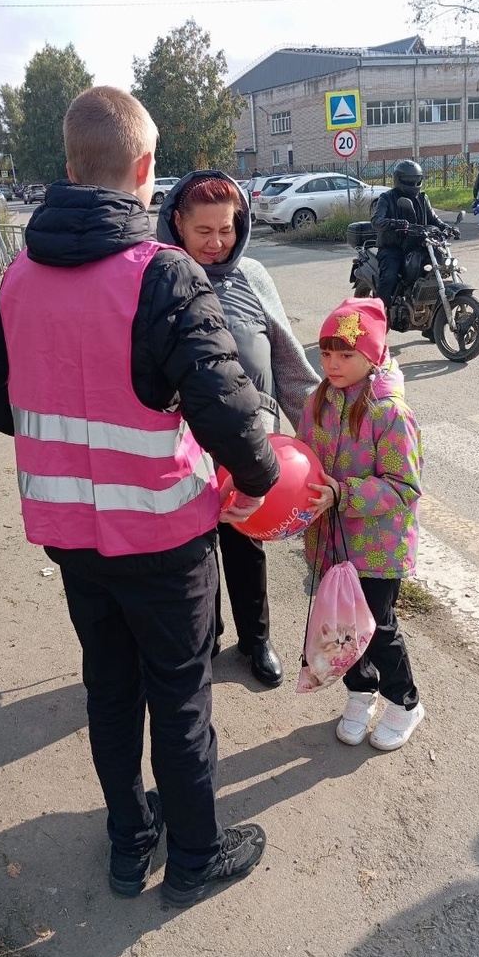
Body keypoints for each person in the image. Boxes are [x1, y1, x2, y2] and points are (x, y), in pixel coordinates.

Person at [0, 86, 281, 909]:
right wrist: (264, 479)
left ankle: (130, 842)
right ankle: (196, 859)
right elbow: (230, 413)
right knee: (179, 697)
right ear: (144, 171)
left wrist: (44, 434)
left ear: (69, 169)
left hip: (72, 536)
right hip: (164, 535)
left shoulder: (24, 276)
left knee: (109, 687)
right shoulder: (162, 273)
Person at [157, 171, 320, 688]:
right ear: (177, 224)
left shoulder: (252, 275)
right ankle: (206, 638)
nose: (216, 242)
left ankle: (257, 639)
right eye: (203, 231)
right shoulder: (160, 278)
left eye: (225, 229)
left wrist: (321, 430)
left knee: (246, 545)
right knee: (195, 549)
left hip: (251, 443)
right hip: (185, 448)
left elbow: (290, 363)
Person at [296, 297, 425, 752]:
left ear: (372, 356)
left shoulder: (390, 413)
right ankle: (360, 690)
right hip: (331, 541)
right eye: (326, 352)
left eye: (345, 354)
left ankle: (404, 701)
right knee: (339, 625)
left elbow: (403, 487)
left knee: (378, 626)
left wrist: (343, 494)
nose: (331, 363)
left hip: (376, 546)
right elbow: (304, 461)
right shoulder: (318, 402)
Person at [371, 159, 460, 312]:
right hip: (393, 248)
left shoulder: (422, 198)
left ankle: (431, 319)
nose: (413, 184)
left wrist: (447, 228)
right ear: (399, 179)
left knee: (435, 271)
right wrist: (396, 223)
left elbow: (433, 219)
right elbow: (376, 221)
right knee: (389, 277)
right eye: (408, 180)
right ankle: (377, 315)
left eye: (416, 180)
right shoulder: (387, 198)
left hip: (418, 245)